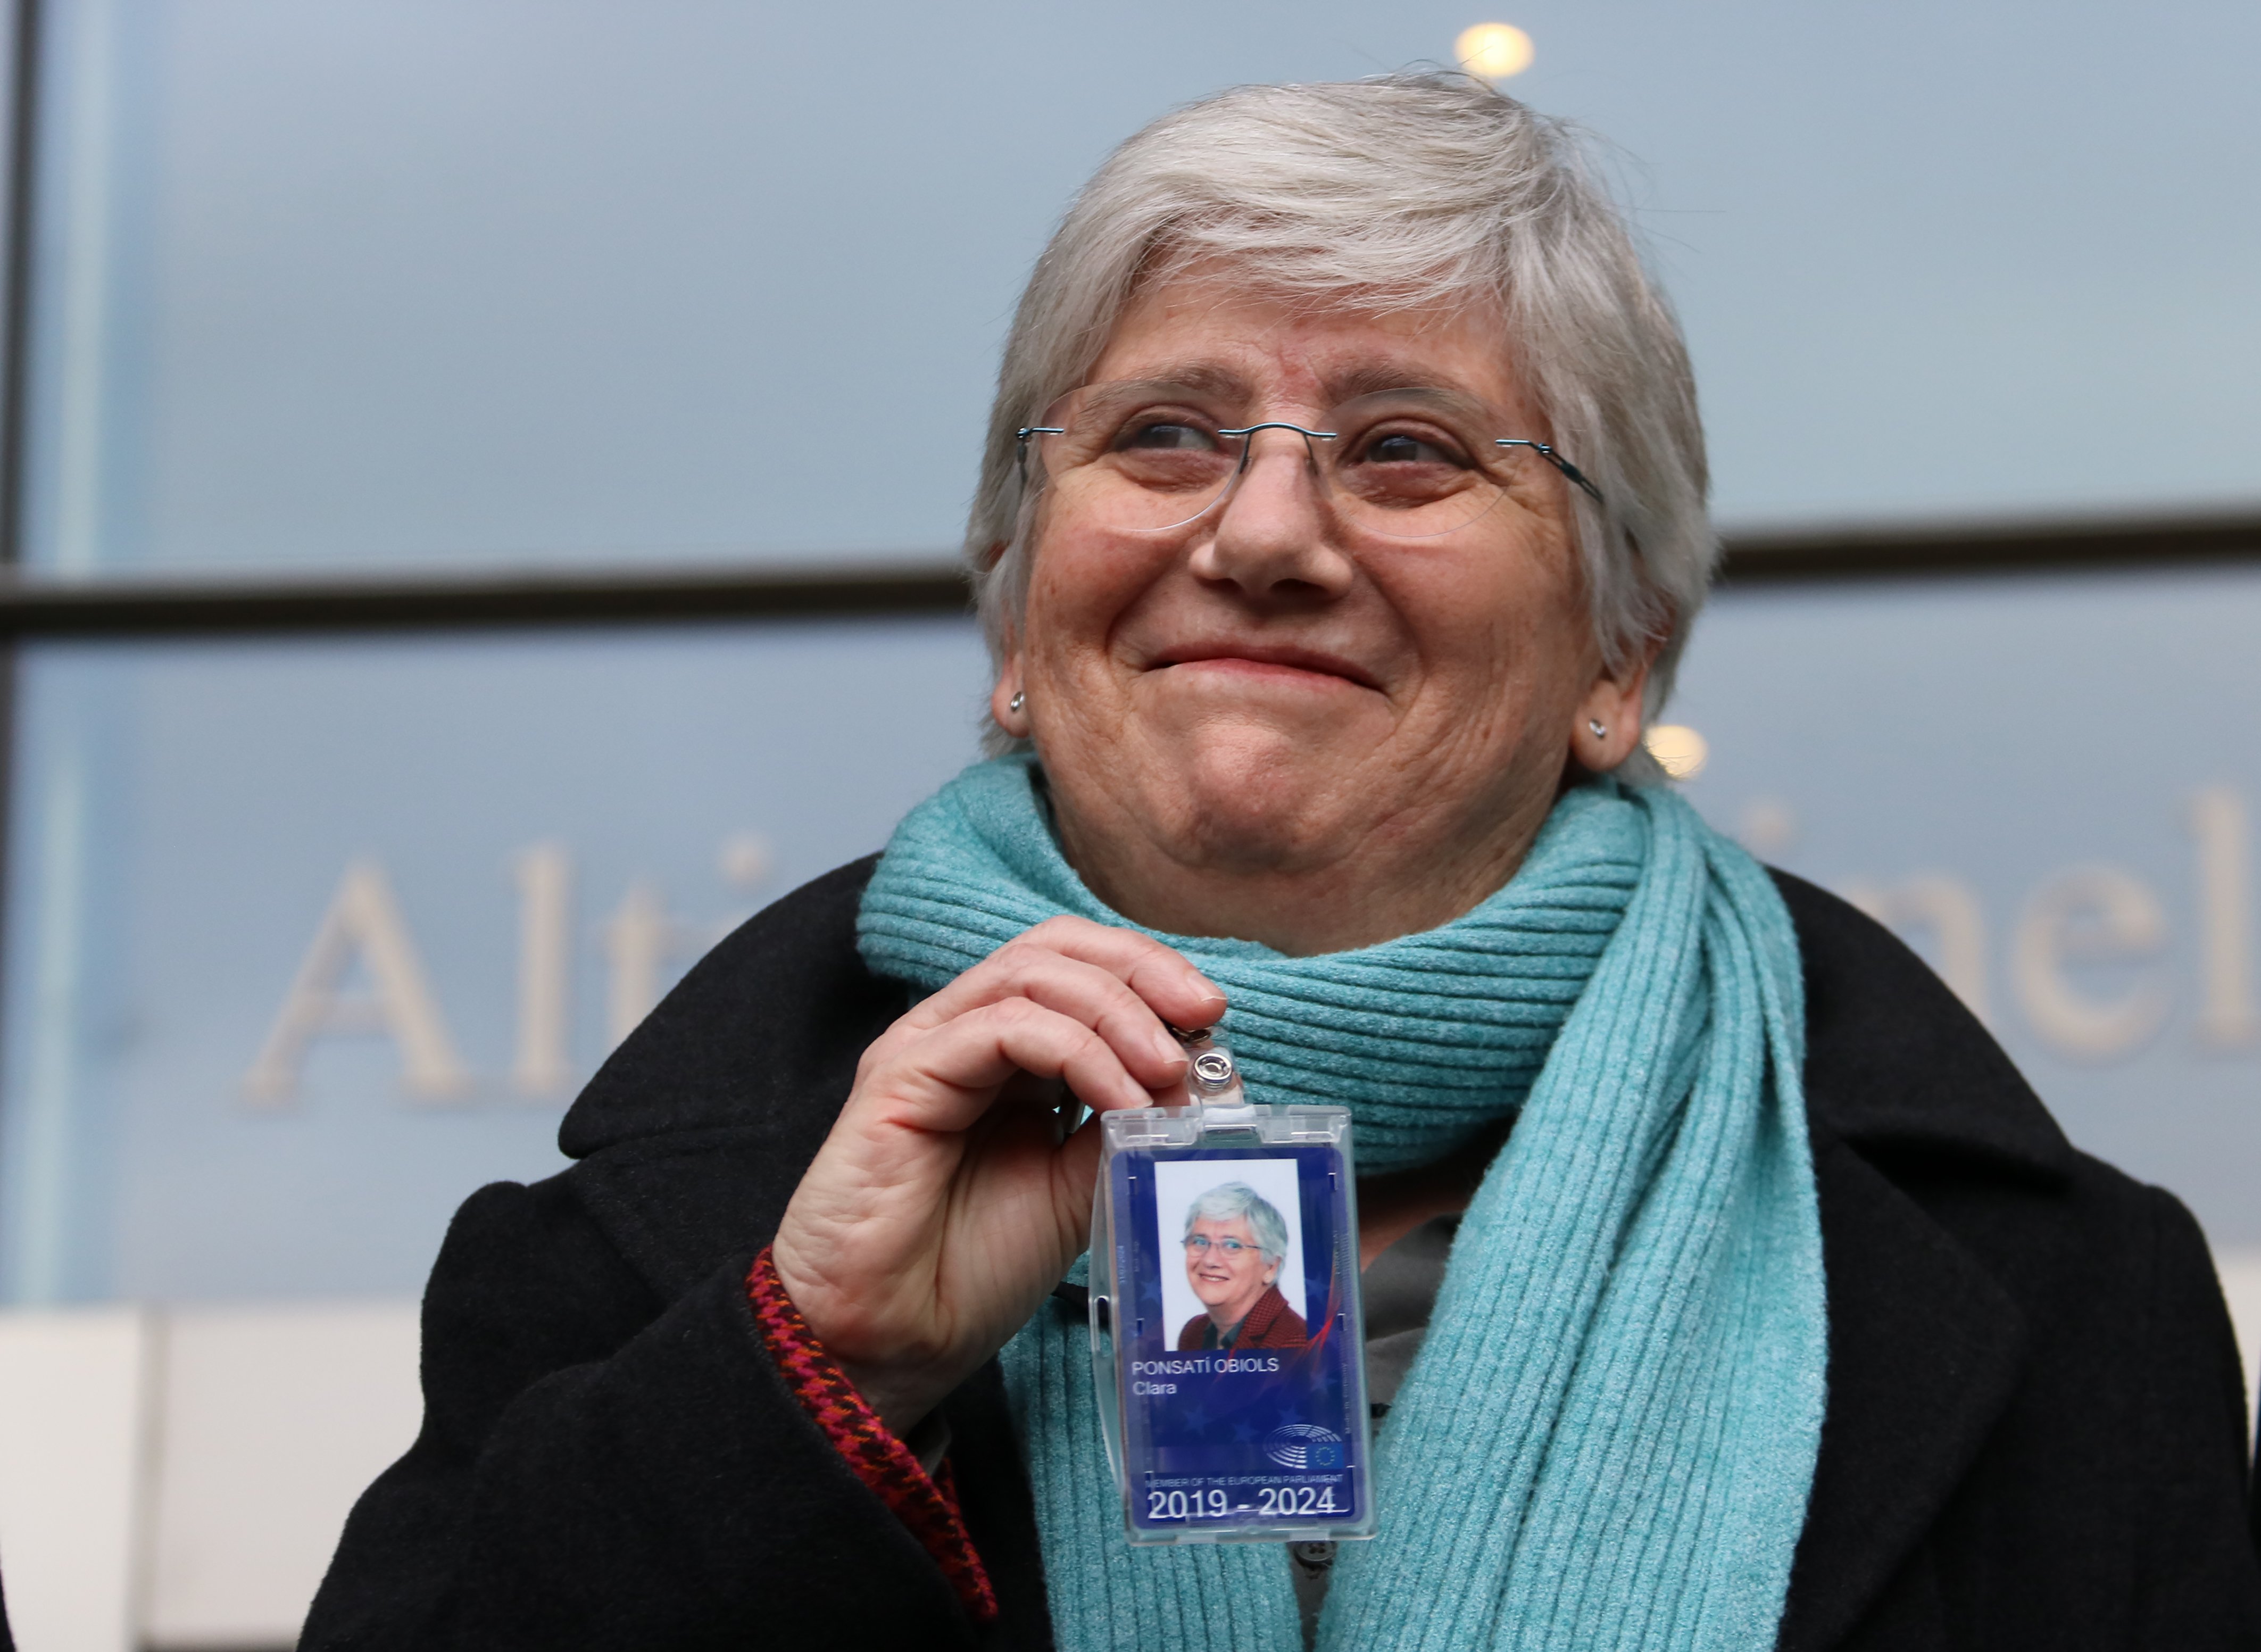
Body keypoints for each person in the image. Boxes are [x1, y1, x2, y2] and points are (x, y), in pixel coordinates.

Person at [302, 72, 2261, 1652]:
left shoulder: (2068, 1301)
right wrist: (811, 1371)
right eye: (1162, 434)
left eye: (1406, 450)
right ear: (1010, 614)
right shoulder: (634, 1266)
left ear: (1617, 656)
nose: (1260, 531)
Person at [1176, 1182, 1307, 1351]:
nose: (1210, 1260)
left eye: (1232, 1246)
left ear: (1271, 1267)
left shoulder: (1294, 1344)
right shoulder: (1193, 1333)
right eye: (1200, 1242)